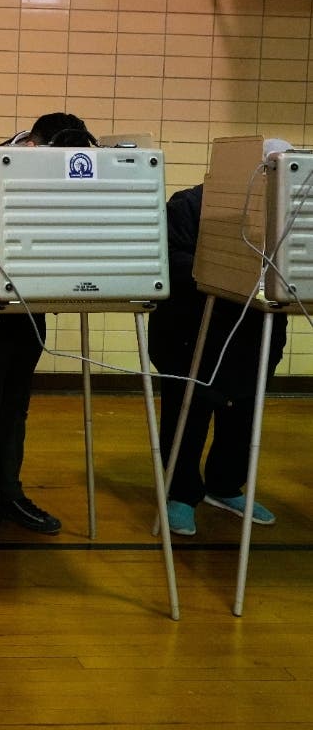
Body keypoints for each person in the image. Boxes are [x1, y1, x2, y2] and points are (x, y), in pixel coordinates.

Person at [0, 112, 96, 550]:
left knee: (15, 404)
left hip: (31, 300)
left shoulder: (44, 161)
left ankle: (8, 493)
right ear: (36, 146)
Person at [149, 138, 291, 536]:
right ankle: (180, 492)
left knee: (242, 416)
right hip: (192, 332)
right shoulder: (190, 204)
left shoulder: (285, 212)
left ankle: (226, 486)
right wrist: (226, 269)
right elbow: (168, 260)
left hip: (254, 334)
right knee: (187, 415)